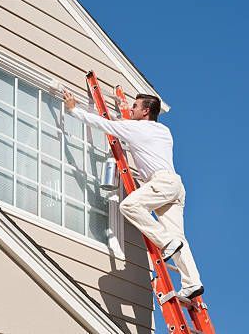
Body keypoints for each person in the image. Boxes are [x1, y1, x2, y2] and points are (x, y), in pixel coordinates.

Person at [63, 89, 204, 299]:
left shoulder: (138, 129)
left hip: (161, 183)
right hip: (174, 186)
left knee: (129, 206)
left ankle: (166, 242)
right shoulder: (164, 131)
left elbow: (106, 125)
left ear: (146, 111)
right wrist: (125, 111)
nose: (132, 109)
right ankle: (192, 283)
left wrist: (74, 110)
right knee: (178, 236)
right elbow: (131, 129)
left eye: (136, 107)